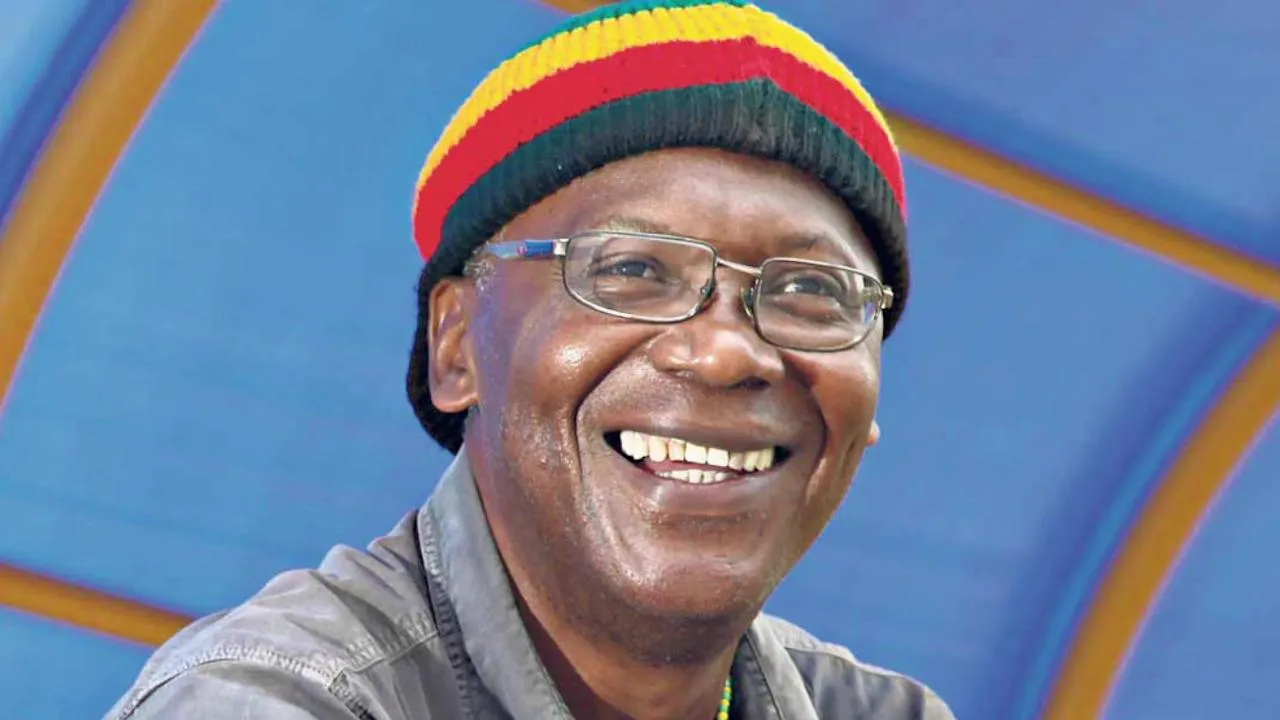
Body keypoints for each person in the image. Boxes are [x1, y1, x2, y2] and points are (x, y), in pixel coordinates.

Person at [108, 1, 955, 718]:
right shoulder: (276, 696)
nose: (727, 350)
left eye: (812, 291)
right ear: (455, 348)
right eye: (632, 270)